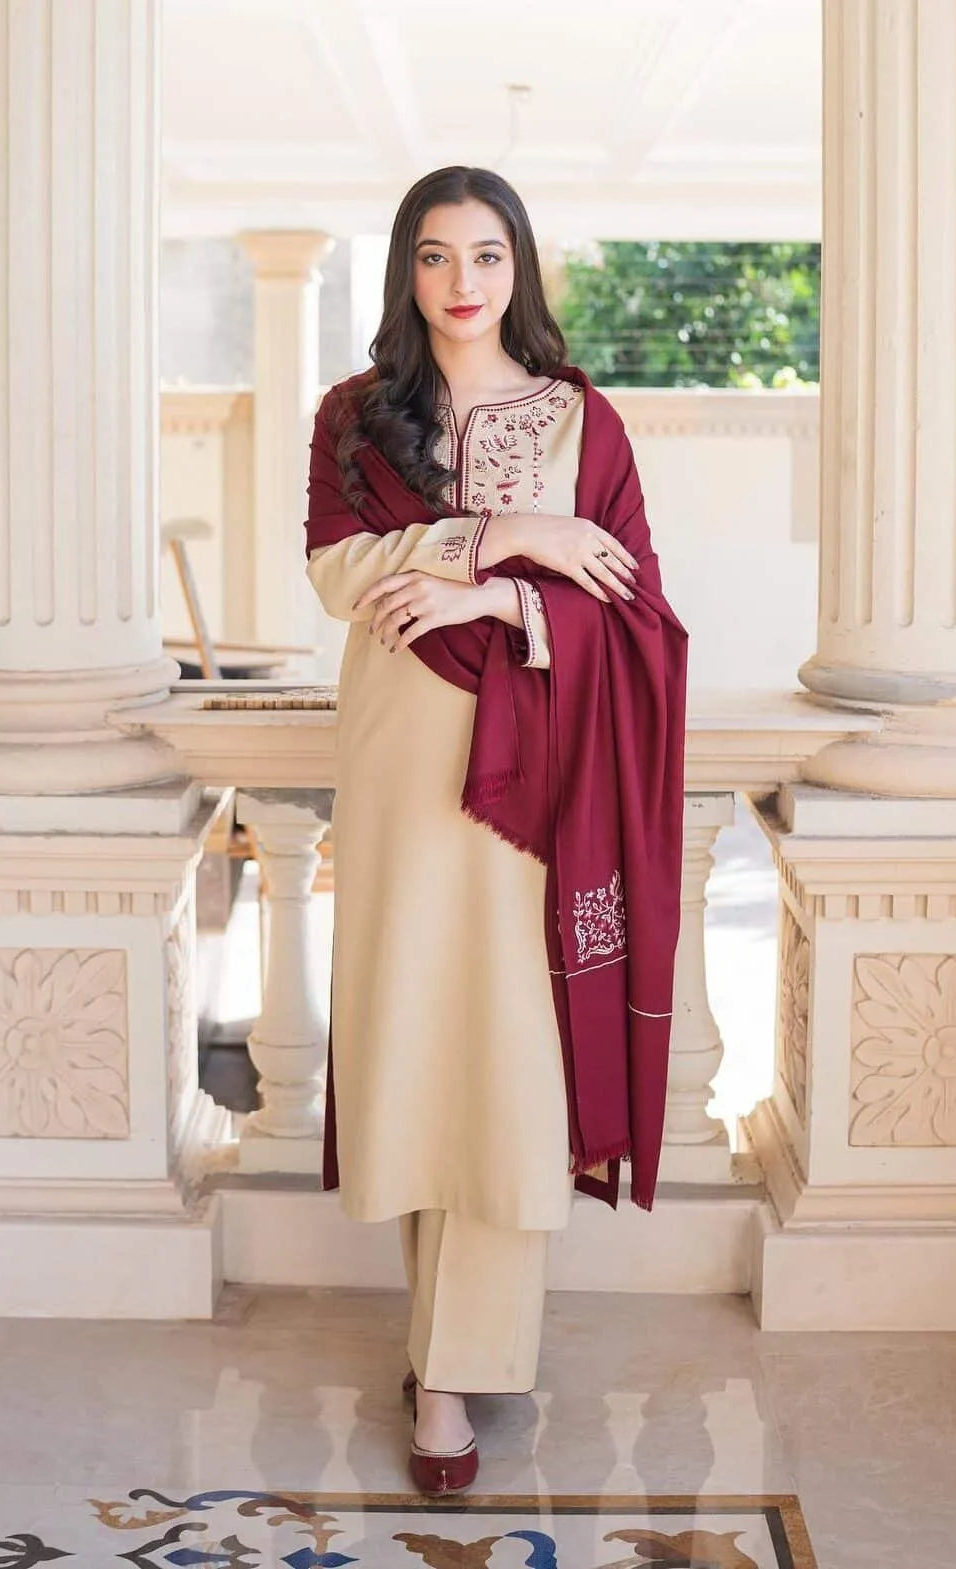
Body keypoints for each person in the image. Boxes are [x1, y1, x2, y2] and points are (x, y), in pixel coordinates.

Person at [303, 166, 688, 1497]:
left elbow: (636, 614)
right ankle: (438, 1344)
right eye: (431, 255)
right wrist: (503, 531)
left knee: (508, 1061)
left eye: (485, 253)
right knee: (419, 1039)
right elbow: (339, 571)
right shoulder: (356, 417)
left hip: (535, 772)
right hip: (401, 766)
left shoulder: (587, 423)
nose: (461, 281)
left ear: (518, 266)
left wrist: (495, 606)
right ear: (405, 275)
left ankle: (454, 1378)